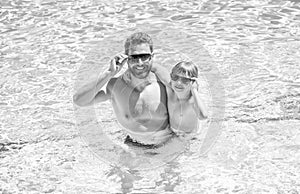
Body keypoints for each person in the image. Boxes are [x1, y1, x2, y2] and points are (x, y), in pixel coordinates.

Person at [73, 32, 173, 147]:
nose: (140, 63)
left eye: (144, 56)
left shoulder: (164, 84)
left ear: (152, 57)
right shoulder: (115, 87)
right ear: (126, 58)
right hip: (134, 147)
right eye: (134, 57)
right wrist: (109, 73)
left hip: (167, 146)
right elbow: (79, 101)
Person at [151, 61, 208, 139]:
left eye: (185, 80)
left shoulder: (191, 100)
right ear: (171, 76)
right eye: (175, 77)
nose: (179, 82)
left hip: (190, 136)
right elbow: (156, 68)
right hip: (172, 131)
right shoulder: (170, 88)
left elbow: (203, 116)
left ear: (193, 82)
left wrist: (194, 90)